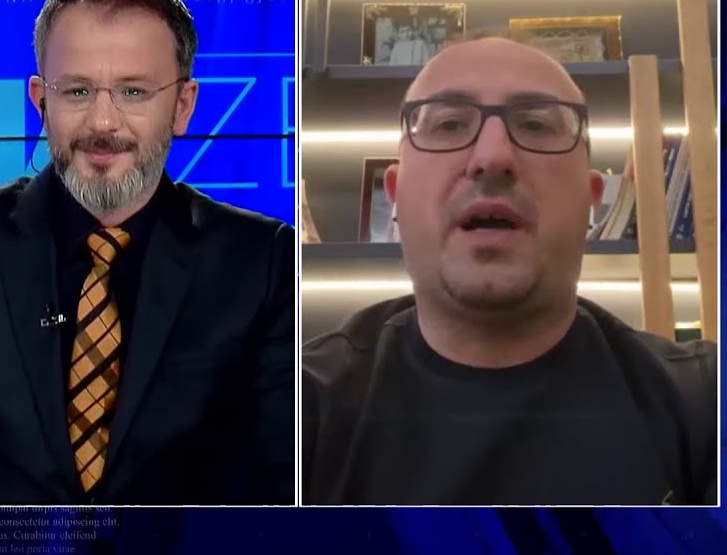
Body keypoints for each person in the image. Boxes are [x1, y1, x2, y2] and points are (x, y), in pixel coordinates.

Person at [0, 0, 295, 506]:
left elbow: (277, 494)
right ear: (40, 101)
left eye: (133, 91)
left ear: (183, 106)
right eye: (77, 90)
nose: (102, 122)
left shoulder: (259, 261)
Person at [302, 33, 718, 506]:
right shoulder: (292, 410)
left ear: (591, 202)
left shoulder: (705, 404)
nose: (492, 157)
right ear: (395, 196)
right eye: (449, 124)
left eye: (536, 125)